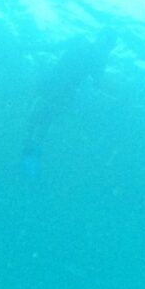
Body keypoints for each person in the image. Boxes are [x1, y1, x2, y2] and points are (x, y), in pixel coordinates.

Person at [21, 27, 117, 177]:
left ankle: (31, 152)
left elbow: (98, 85)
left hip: (63, 92)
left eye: (109, 46)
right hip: (54, 85)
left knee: (44, 120)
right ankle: (29, 147)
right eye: (108, 43)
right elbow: (53, 48)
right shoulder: (84, 45)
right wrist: (29, 48)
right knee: (37, 117)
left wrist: (110, 95)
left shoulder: (98, 60)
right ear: (102, 38)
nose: (106, 47)